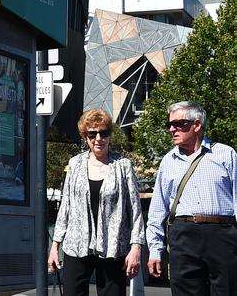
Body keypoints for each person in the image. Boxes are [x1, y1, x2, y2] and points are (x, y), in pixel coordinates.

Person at [48, 108, 144, 296]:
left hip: (113, 245)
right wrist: (54, 247)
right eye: (92, 134)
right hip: (77, 245)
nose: (98, 138)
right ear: (85, 137)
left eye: (104, 133)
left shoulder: (123, 165)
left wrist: (136, 248)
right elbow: (65, 207)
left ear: (109, 135)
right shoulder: (75, 164)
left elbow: (135, 210)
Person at [146, 100, 237, 296]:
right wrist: (155, 250)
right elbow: (157, 210)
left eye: (179, 124)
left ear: (197, 125)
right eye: (170, 124)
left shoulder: (226, 154)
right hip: (183, 235)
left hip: (222, 235)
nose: (172, 129)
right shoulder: (168, 161)